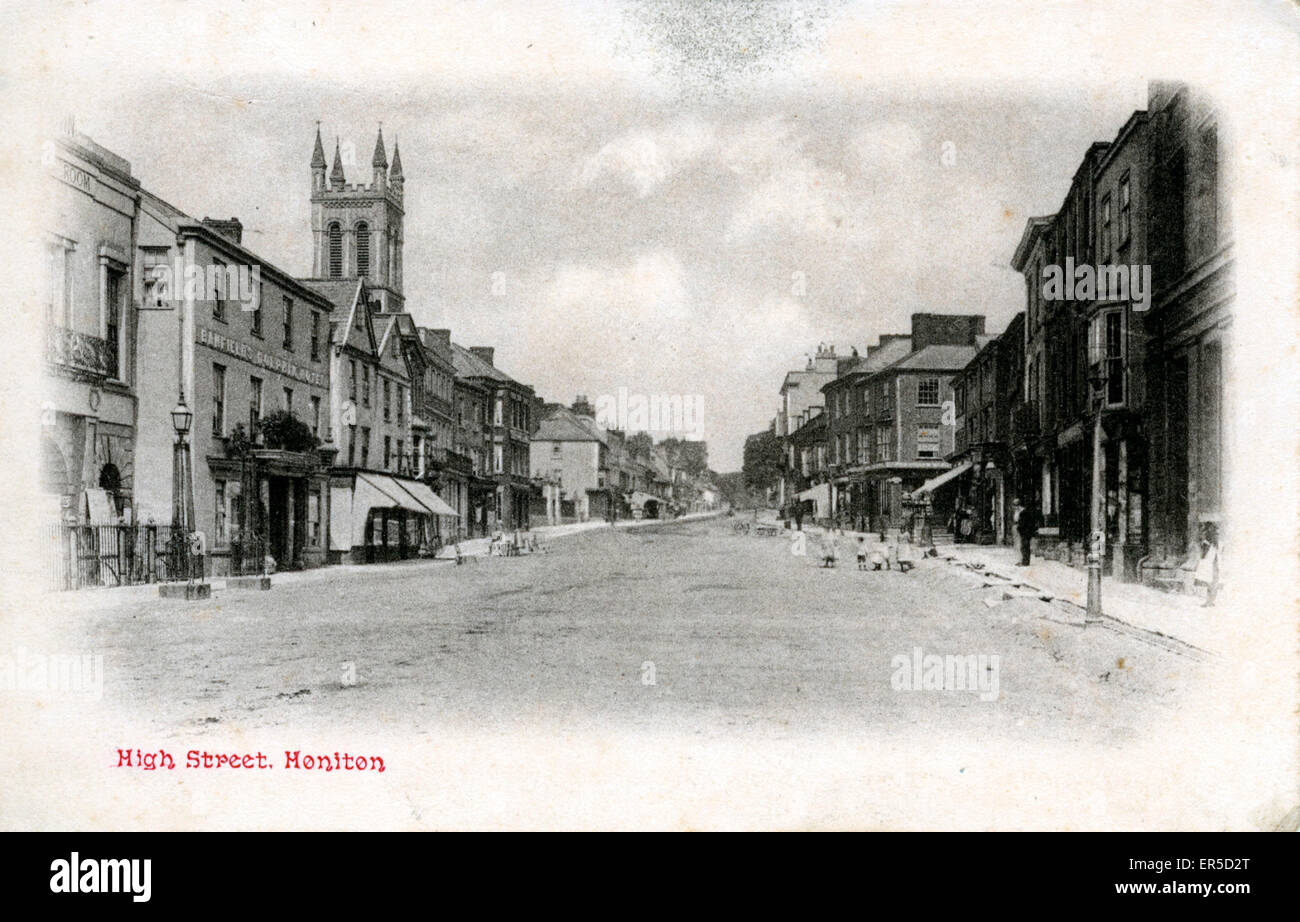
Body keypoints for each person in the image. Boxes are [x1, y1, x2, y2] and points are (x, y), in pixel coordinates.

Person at [1194, 524, 1221, 608]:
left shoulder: (1208, 543)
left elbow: (1203, 554)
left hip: (1210, 564)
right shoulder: (1218, 543)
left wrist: (1201, 545)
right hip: (1216, 564)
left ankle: (1209, 601)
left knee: (1210, 583)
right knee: (1213, 583)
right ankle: (1211, 601)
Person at [1015, 498, 1039, 566]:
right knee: (1024, 547)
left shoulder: (1023, 513)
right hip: (1027, 532)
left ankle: (1025, 562)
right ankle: (1024, 561)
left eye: (1017, 506)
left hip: (1025, 532)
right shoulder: (1026, 512)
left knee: (1024, 547)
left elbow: (1022, 524)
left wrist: (1019, 528)